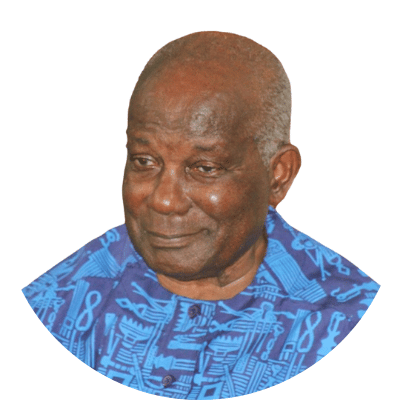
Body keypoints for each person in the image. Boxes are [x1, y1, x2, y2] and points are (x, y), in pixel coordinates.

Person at [22, 31, 379, 399]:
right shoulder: (55, 305)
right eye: (144, 161)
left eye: (205, 168)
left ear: (278, 175)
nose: (164, 201)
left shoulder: (354, 327)